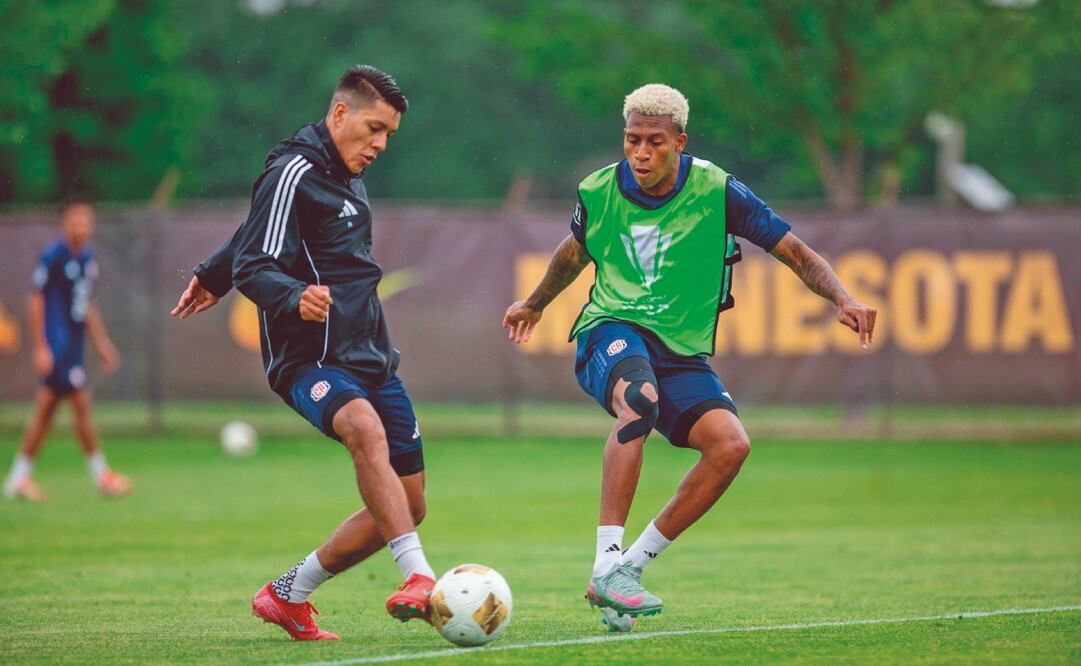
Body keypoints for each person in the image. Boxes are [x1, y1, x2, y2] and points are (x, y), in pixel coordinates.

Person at [502, 84, 877, 625]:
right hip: (611, 328)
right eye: (632, 140)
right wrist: (534, 304)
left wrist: (843, 296)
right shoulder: (598, 190)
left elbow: (794, 252)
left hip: (679, 348)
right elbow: (574, 252)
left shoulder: (718, 191)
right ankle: (606, 560)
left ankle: (628, 570)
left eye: (655, 141)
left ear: (680, 141)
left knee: (730, 446)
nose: (641, 153)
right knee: (640, 399)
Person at [171, 65, 436, 641]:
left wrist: (209, 272)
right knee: (362, 428)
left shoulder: (346, 171)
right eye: (373, 128)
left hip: (371, 352)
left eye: (389, 133)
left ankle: (288, 594)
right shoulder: (293, 167)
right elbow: (255, 263)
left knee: (408, 505)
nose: (381, 145)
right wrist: (288, 295)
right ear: (339, 113)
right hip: (309, 359)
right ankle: (419, 578)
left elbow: (252, 229)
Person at [3, 200, 129, 502]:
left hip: (74, 344)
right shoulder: (54, 256)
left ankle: (17, 478)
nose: (83, 226)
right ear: (64, 223)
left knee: (46, 411)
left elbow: (87, 304)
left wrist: (101, 343)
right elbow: (36, 300)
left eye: (88, 220)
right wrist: (41, 346)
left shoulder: (87, 258)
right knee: (80, 404)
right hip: (57, 345)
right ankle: (102, 476)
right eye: (77, 220)